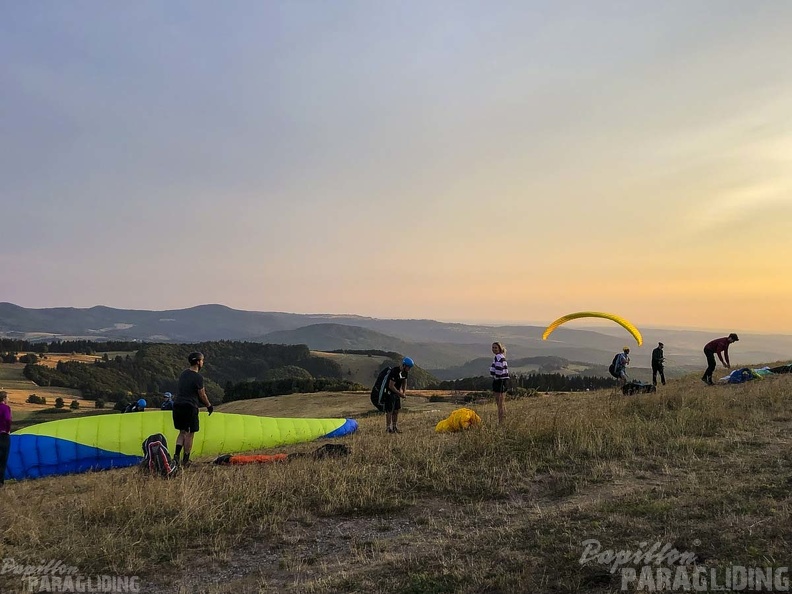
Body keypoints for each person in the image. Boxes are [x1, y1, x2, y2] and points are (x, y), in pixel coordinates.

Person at [172, 352, 213, 466]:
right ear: (198, 362)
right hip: (189, 407)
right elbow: (202, 394)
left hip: (177, 406)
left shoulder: (183, 373)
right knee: (190, 433)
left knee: (182, 432)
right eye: (202, 361)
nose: (203, 362)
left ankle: (176, 456)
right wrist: (209, 406)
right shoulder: (198, 377)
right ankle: (185, 460)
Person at [384, 357, 413, 434]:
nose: (409, 369)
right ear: (404, 365)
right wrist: (400, 394)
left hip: (396, 393)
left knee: (396, 410)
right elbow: (391, 386)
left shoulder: (405, 372)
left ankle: (394, 427)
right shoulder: (395, 371)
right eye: (408, 367)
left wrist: (404, 391)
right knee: (389, 411)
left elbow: (404, 382)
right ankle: (388, 428)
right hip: (389, 393)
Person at [490, 342, 509, 424]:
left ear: (499, 348)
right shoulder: (502, 356)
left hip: (499, 381)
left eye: (495, 348)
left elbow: (499, 370)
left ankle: (501, 422)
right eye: (493, 347)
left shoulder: (498, 357)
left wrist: (496, 377)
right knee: (502, 403)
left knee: (499, 404)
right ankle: (504, 420)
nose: (494, 349)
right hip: (503, 381)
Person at [0, 392, 11, 486]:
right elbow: (7, 419)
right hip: (3, 436)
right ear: (3, 399)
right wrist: (7, 430)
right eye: (8, 397)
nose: (9, 399)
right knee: (3, 459)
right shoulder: (5, 408)